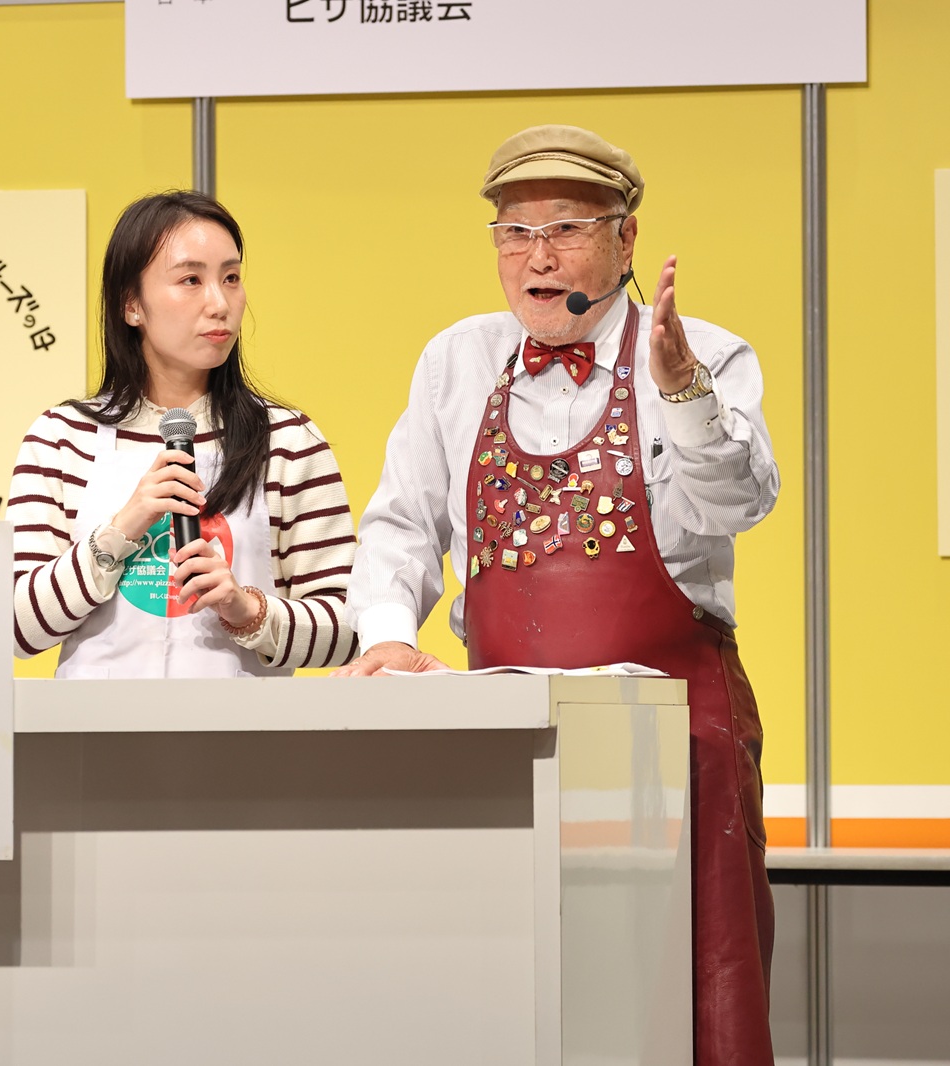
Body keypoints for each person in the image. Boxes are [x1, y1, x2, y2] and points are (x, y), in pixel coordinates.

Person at [338, 126, 779, 1062]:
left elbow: (738, 504)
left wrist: (683, 393)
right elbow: (400, 524)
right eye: (514, 232)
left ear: (626, 240)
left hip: (677, 744)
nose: (537, 256)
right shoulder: (455, 361)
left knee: (697, 993)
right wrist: (385, 634)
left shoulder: (707, 354)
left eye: (567, 228)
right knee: (514, 1001)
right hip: (512, 745)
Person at [9, 191, 357, 677]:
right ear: (131, 304)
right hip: (94, 724)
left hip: (243, 726)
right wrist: (121, 530)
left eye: (231, 278)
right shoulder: (62, 438)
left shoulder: (287, 440)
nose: (220, 303)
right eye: (191, 280)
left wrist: (247, 609)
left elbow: (350, 628)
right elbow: (16, 628)